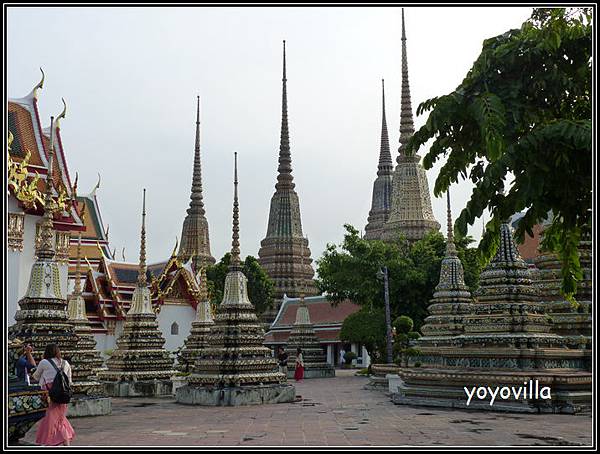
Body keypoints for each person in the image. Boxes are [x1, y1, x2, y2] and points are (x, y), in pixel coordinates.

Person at [32, 344, 75, 446]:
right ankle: (65, 444)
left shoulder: (44, 362)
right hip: (63, 395)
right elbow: (69, 381)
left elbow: (36, 376)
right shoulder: (66, 363)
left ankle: (51, 444)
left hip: (50, 395)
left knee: (51, 421)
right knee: (60, 420)